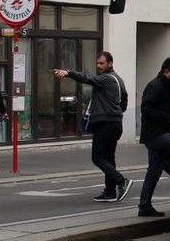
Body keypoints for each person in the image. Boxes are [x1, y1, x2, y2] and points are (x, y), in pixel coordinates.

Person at [55, 52, 133, 202]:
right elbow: (124, 100)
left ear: (110, 64)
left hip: (105, 123)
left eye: (102, 63)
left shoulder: (105, 79)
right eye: (97, 63)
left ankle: (121, 181)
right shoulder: (118, 80)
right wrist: (116, 112)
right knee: (109, 158)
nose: (98, 66)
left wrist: (68, 73)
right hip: (116, 123)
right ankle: (110, 192)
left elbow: (88, 78)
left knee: (97, 157)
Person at [137, 56, 170, 217]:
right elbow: (146, 109)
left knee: (154, 171)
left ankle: (144, 206)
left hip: (156, 134)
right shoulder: (156, 86)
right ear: (166, 71)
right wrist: (168, 117)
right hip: (156, 134)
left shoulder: (168, 85)